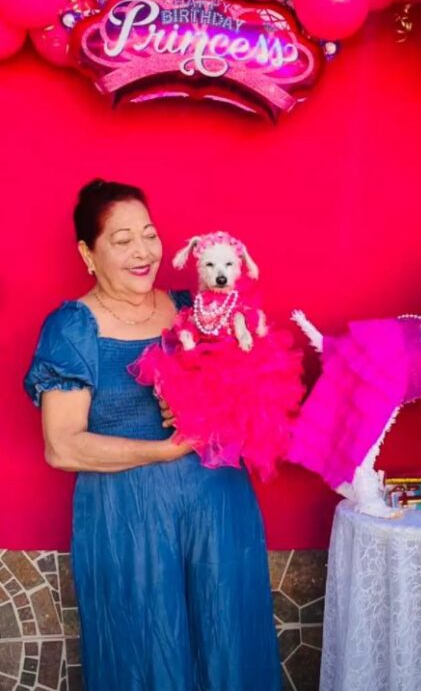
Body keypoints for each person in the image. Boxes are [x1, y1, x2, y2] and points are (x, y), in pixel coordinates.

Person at [24, 179, 281, 691]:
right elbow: (63, 445)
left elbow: (253, 404)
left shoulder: (196, 309)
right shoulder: (73, 328)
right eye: (122, 241)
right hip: (130, 524)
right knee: (145, 651)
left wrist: (207, 400)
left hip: (219, 511)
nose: (143, 252)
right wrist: (165, 448)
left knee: (229, 642)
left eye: (149, 234)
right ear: (88, 253)